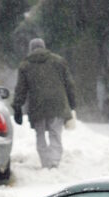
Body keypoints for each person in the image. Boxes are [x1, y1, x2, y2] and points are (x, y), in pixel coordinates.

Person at [12, 37, 77, 169]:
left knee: (40, 134)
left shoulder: (25, 65)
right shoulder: (58, 61)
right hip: (57, 103)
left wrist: (17, 106)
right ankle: (54, 162)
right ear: (44, 47)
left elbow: (21, 89)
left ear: (31, 49)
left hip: (37, 105)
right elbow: (69, 84)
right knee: (55, 133)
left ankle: (45, 163)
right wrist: (72, 103)